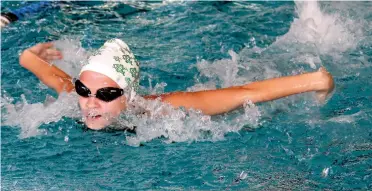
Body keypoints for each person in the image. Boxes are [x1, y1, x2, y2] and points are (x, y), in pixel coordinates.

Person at [19, 39, 334, 130]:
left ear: (127, 96)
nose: (90, 102)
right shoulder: (75, 95)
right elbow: (47, 72)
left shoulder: (160, 108)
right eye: (84, 90)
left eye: (106, 94)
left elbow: (244, 94)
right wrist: (30, 54)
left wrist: (316, 81)